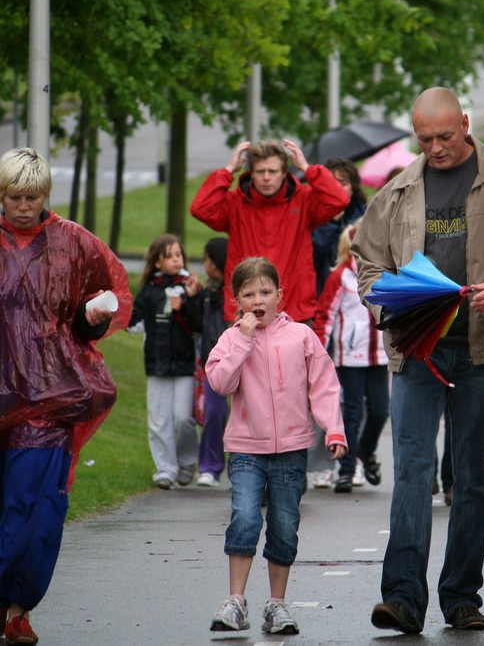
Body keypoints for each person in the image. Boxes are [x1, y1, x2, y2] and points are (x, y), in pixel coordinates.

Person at [352, 87, 484, 634]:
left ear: (465, 124)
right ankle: (402, 599)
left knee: (472, 479)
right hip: (418, 349)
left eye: (445, 136)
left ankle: (462, 598)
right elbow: (367, 262)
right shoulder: (397, 189)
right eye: (425, 139)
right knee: (412, 472)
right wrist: (387, 302)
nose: (436, 147)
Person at [0, 147, 131, 645]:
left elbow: (94, 307)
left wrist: (92, 316)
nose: (23, 206)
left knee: (33, 508)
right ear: (0, 192)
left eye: (33, 197)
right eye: (15, 196)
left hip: (49, 399)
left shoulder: (75, 244)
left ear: (45, 195)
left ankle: (18, 608)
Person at [205, 257, 347, 635]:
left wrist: (334, 430)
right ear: (237, 301)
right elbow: (220, 382)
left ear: (280, 296)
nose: (258, 300)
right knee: (245, 518)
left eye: (265, 292)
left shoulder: (301, 336)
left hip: (291, 450)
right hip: (246, 449)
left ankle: (277, 604)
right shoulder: (231, 339)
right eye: (249, 294)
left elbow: (324, 384)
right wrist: (242, 341)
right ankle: (235, 601)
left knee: (284, 526)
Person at [190, 138, 350, 324]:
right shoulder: (235, 203)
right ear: (251, 174)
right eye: (260, 171)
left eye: (272, 171)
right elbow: (200, 209)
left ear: (284, 173)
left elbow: (339, 200)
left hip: (294, 309)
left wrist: (307, 169)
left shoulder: (303, 200)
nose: (266, 177)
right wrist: (228, 170)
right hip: (246, 311)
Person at [314, 222, 390, 493]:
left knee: (381, 412)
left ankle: (365, 452)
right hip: (349, 358)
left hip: (380, 355)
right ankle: (346, 471)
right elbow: (325, 315)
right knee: (352, 413)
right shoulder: (340, 277)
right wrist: (319, 354)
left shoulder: (386, 274)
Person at [128, 234, 203, 489]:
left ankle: (187, 461)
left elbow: (199, 324)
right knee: (159, 419)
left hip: (185, 363)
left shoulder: (190, 286)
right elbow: (134, 320)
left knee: (184, 417)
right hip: (157, 363)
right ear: (157, 262)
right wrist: (113, 313)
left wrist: (186, 303)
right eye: (169, 256)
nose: (175, 260)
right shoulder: (149, 290)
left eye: (178, 255)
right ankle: (166, 469)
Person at [195, 238, 230, 487]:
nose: (205, 264)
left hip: (239, 360)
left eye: (207, 259)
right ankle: (210, 466)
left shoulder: (235, 291)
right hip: (213, 361)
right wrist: (192, 297)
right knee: (214, 412)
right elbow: (198, 323)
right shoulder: (206, 292)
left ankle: (242, 466)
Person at [312, 159, 368, 297]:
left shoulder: (366, 217)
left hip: (359, 295)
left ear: (353, 187)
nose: (337, 189)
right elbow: (311, 258)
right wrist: (330, 223)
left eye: (343, 184)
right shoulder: (311, 216)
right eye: (331, 183)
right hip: (324, 295)